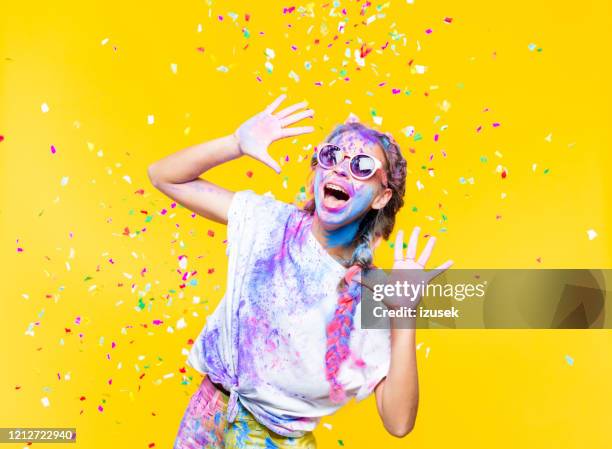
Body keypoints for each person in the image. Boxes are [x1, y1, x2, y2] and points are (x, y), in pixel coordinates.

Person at [147, 93, 453, 448]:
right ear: (319, 170)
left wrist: (404, 315)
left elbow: (399, 422)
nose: (341, 168)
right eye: (332, 156)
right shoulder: (268, 223)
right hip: (206, 415)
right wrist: (235, 143)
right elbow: (164, 176)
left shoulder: (368, 296)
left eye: (362, 167)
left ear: (381, 197)